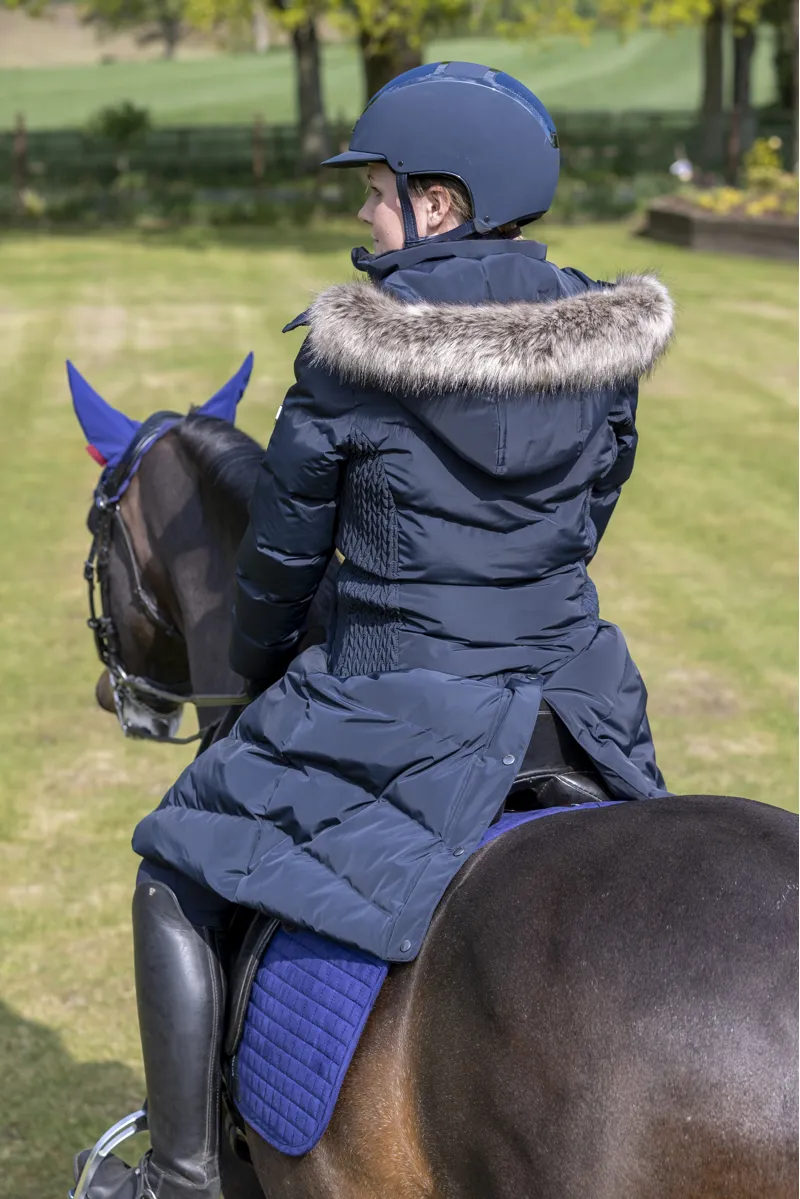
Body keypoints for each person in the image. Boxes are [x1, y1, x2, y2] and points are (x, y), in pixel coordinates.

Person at [75, 62, 673, 1199]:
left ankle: (180, 1171)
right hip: (573, 685)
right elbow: (589, 515)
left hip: (394, 690)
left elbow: (285, 558)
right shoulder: (601, 345)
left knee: (173, 860)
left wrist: (247, 673)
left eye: (376, 188)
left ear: (438, 203)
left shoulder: (352, 355)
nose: (362, 213)